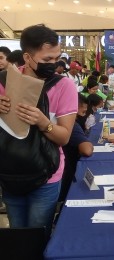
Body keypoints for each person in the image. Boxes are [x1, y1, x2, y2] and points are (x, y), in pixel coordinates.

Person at [0, 24, 78, 230]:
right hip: (9, 172)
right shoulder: (3, 81)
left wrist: (44, 123)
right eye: (46, 60)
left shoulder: (64, 86)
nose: (53, 64)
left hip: (47, 174)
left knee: (37, 233)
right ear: (27, 57)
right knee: (17, 231)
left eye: (56, 58)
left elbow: (64, 138)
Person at [60, 94, 93, 201]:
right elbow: (86, 150)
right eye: (83, 112)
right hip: (64, 175)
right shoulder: (72, 125)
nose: (83, 116)